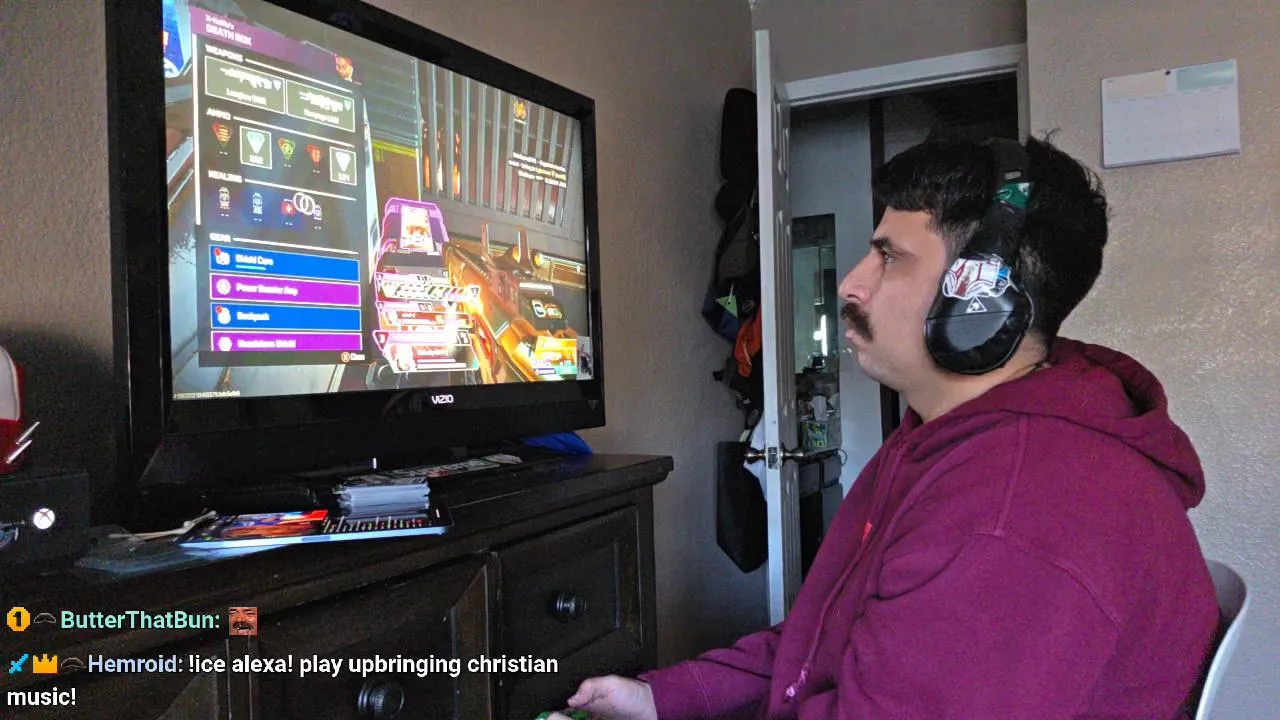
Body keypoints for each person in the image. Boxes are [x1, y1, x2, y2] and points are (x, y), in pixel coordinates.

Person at [547, 134, 1220, 720]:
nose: (851, 284)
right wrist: (662, 699)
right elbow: (823, 642)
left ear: (981, 301)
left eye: (890, 257)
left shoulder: (1015, 512)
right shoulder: (952, 439)